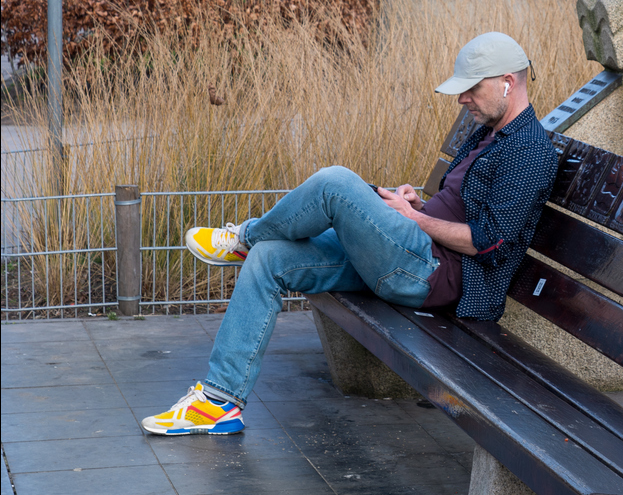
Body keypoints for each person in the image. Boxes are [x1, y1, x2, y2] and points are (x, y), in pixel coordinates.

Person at [141, 33, 559, 435]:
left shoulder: (530, 150)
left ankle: (242, 238)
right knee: (270, 257)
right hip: (415, 252)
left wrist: (414, 222)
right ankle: (219, 402)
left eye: (471, 88)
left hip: (435, 274)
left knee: (335, 182)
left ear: (508, 82)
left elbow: (490, 242)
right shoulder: (490, 133)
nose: (462, 98)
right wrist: (417, 205)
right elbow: (463, 204)